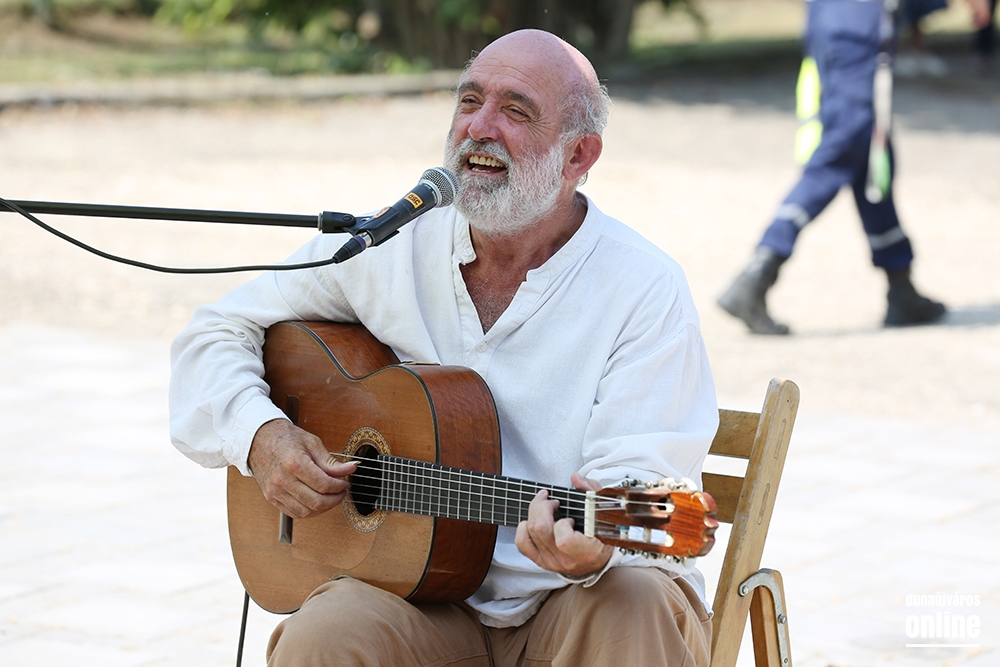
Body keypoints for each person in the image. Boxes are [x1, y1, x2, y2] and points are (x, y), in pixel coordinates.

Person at [170, 29, 719, 666]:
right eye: (469, 100)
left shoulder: (642, 287)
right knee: (325, 635)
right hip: (423, 598)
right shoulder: (392, 243)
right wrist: (261, 436)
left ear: (578, 155)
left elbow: (641, 477)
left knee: (635, 601)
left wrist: (596, 549)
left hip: (576, 604)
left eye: (516, 111)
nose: (479, 128)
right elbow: (216, 331)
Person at [717, 0, 988, 335]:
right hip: (857, 23)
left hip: (832, 17)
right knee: (844, 147)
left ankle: (900, 283)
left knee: (872, 155)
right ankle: (757, 274)